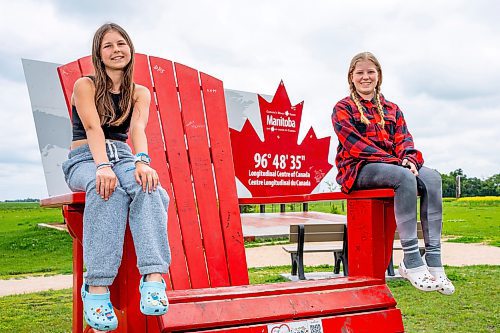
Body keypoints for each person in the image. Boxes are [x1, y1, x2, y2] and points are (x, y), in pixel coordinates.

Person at [62, 23, 171, 331]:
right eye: (107, 45)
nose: (116, 50)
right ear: (99, 53)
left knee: (149, 187)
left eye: (121, 43)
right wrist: (101, 167)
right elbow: (94, 129)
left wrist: (142, 162)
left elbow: (136, 130)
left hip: (123, 157)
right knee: (106, 191)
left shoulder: (139, 93)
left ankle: (152, 277)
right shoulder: (85, 85)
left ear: (130, 49)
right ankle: (96, 288)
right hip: (85, 158)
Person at [331, 52, 454, 295]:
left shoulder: (392, 109)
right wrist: (399, 164)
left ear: (379, 76)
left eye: (370, 72)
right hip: (359, 169)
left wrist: (409, 159)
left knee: (432, 177)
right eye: (360, 73)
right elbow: (356, 146)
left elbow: (404, 140)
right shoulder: (342, 108)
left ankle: (434, 259)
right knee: (404, 176)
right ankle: (410, 258)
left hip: (393, 165)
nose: (365, 77)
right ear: (351, 77)